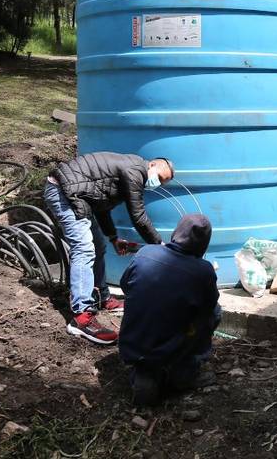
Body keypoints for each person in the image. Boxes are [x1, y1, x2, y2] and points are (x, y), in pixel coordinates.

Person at [43, 153, 175, 344]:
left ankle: (102, 298)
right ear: (152, 164)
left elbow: (102, 205)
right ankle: (81, 317)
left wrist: (113, 238)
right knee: (84, 249)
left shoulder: (127, 171)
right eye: (160, 178)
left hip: (78, 195)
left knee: (98, 246)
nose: (158, 183)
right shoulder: (135, 170)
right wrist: (160, 246)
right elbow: (138, 216)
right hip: (62, 191)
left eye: (163, 183)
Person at [119, 213, 221, 407]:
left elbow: (125, 286)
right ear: (204, 244)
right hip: (171, 347)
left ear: (176, 232)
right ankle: (184, 369)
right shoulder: (203, 271)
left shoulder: (145, 253)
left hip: (133, 345)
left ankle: (144, 373)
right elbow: (208, 307)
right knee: (215, 312)